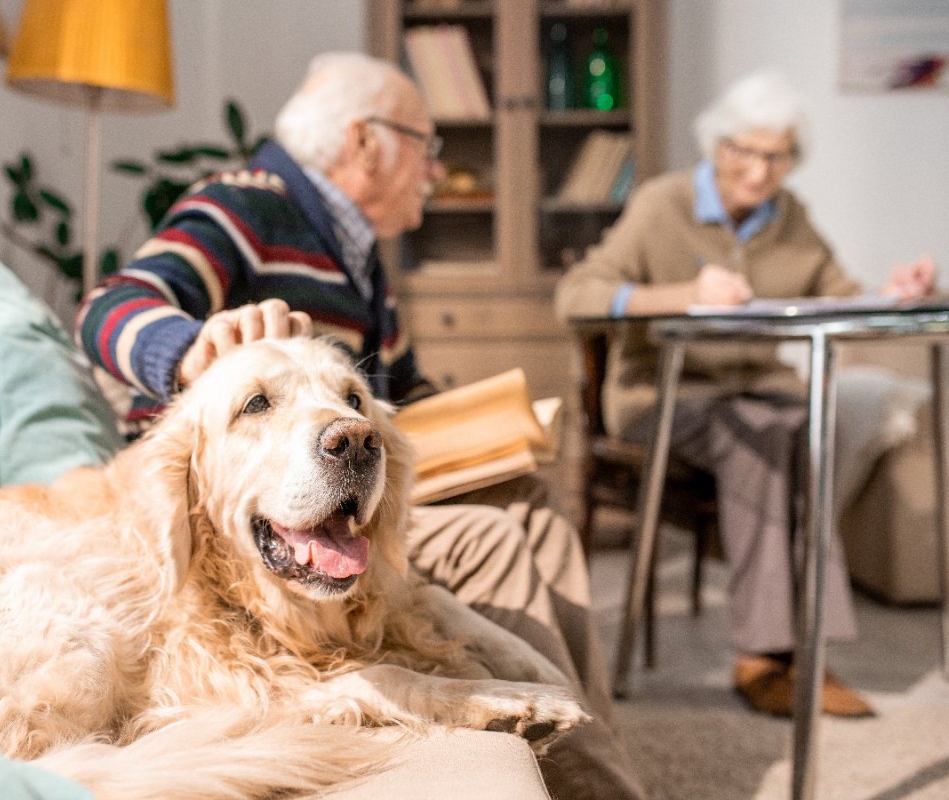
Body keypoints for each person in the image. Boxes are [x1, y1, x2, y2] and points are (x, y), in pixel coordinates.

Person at [77, 51, 644, 800]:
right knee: (497, 540)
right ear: (365, 143)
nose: (437, 170)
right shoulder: (244, 205)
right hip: (247, 511)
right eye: (426, 146)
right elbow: (110, 305)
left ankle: (589, 748)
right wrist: (188, 349)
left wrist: (491, 428)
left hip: (335, 482)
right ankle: (594, 783)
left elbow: (404, 391)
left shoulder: (360, 255)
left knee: (536, 508)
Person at [554, 69, 937, 719]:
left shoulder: (790, 218)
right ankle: (769, 656)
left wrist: (898, 291)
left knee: (813, 428)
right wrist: (684, 296)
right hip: (664, 395)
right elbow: (579, 296)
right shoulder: (662, 204)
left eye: (776, 156)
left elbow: (842, 295)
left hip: (758, 390)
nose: (759, 172)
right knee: (760, 439)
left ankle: (796, 650)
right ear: (717, 147)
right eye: (745, 153)